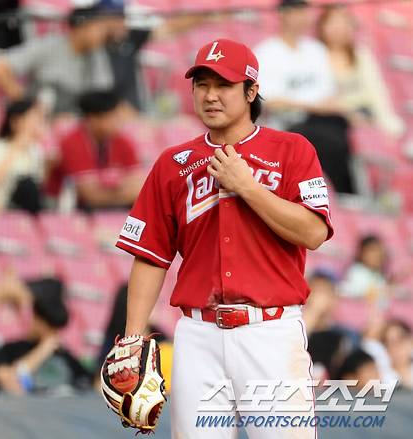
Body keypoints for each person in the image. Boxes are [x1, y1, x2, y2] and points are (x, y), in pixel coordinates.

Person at [113, 38, 334, 438]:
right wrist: (131, 337)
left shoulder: (291, 150)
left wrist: (248, 188)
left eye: (224, 85)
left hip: (269, 331)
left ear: (251, 92)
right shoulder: (173, 164)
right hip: (198, 335)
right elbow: (150, 256)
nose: (210, 95)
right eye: (202, 84)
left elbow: (314, 231)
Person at [254, 0, 355, 193]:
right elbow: (268, 100)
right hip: (288, 124)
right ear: (284, 14)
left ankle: (340, 193)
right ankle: (336, 192)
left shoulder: (316, 50)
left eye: (305, 12)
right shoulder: (265, 52)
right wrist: (313, 106)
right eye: (298, 12)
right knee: (331, 140)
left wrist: (320, 107)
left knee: (339, 127)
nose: (304, 18)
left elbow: (331, 92)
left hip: (324, 119)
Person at [0, 6, 114, 115]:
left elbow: (103, 96)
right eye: (99, 28)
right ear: (81, 26)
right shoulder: (50, 45)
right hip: (37, 124)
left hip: (71, 127)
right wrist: (26, 104)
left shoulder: (97, 56)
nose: (104, 34)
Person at [47, 89, 143, 211]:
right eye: (113, 117)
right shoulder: (72, 142)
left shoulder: (122, 141)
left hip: (115, 209)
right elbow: (89, 196)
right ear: (93, 119)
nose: (119, 121)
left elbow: (139, 187)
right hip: (70, 211)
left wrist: (105, 193)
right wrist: (124, 192)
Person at [317, 5, 404, 138]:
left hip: (363, 114)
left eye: (343, 24)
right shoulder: (314, 56)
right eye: (333, 23)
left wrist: (386, 119)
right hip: (333, 118)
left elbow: (376, 89)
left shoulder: (361, 56)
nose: (338, 29)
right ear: (322, 27)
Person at [0, 280, 92, 395]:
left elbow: (89, 383)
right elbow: (9, 379)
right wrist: (45, 348)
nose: (54, 334)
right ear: (37, 319)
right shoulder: (10, 349)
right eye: (49, 327)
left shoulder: (65, 355)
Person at [0, 97, 47, 214]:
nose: (36, 124)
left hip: (24, 209)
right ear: (16, 121)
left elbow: (39, 184)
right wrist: (16, 147)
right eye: (32, 119)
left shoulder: (35, 150)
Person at [340, 235, 390, 302]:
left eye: (379, 251)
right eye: (372, 251)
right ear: (362, 252)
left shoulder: (380, 276)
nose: (377, 255)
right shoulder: (355, 272)